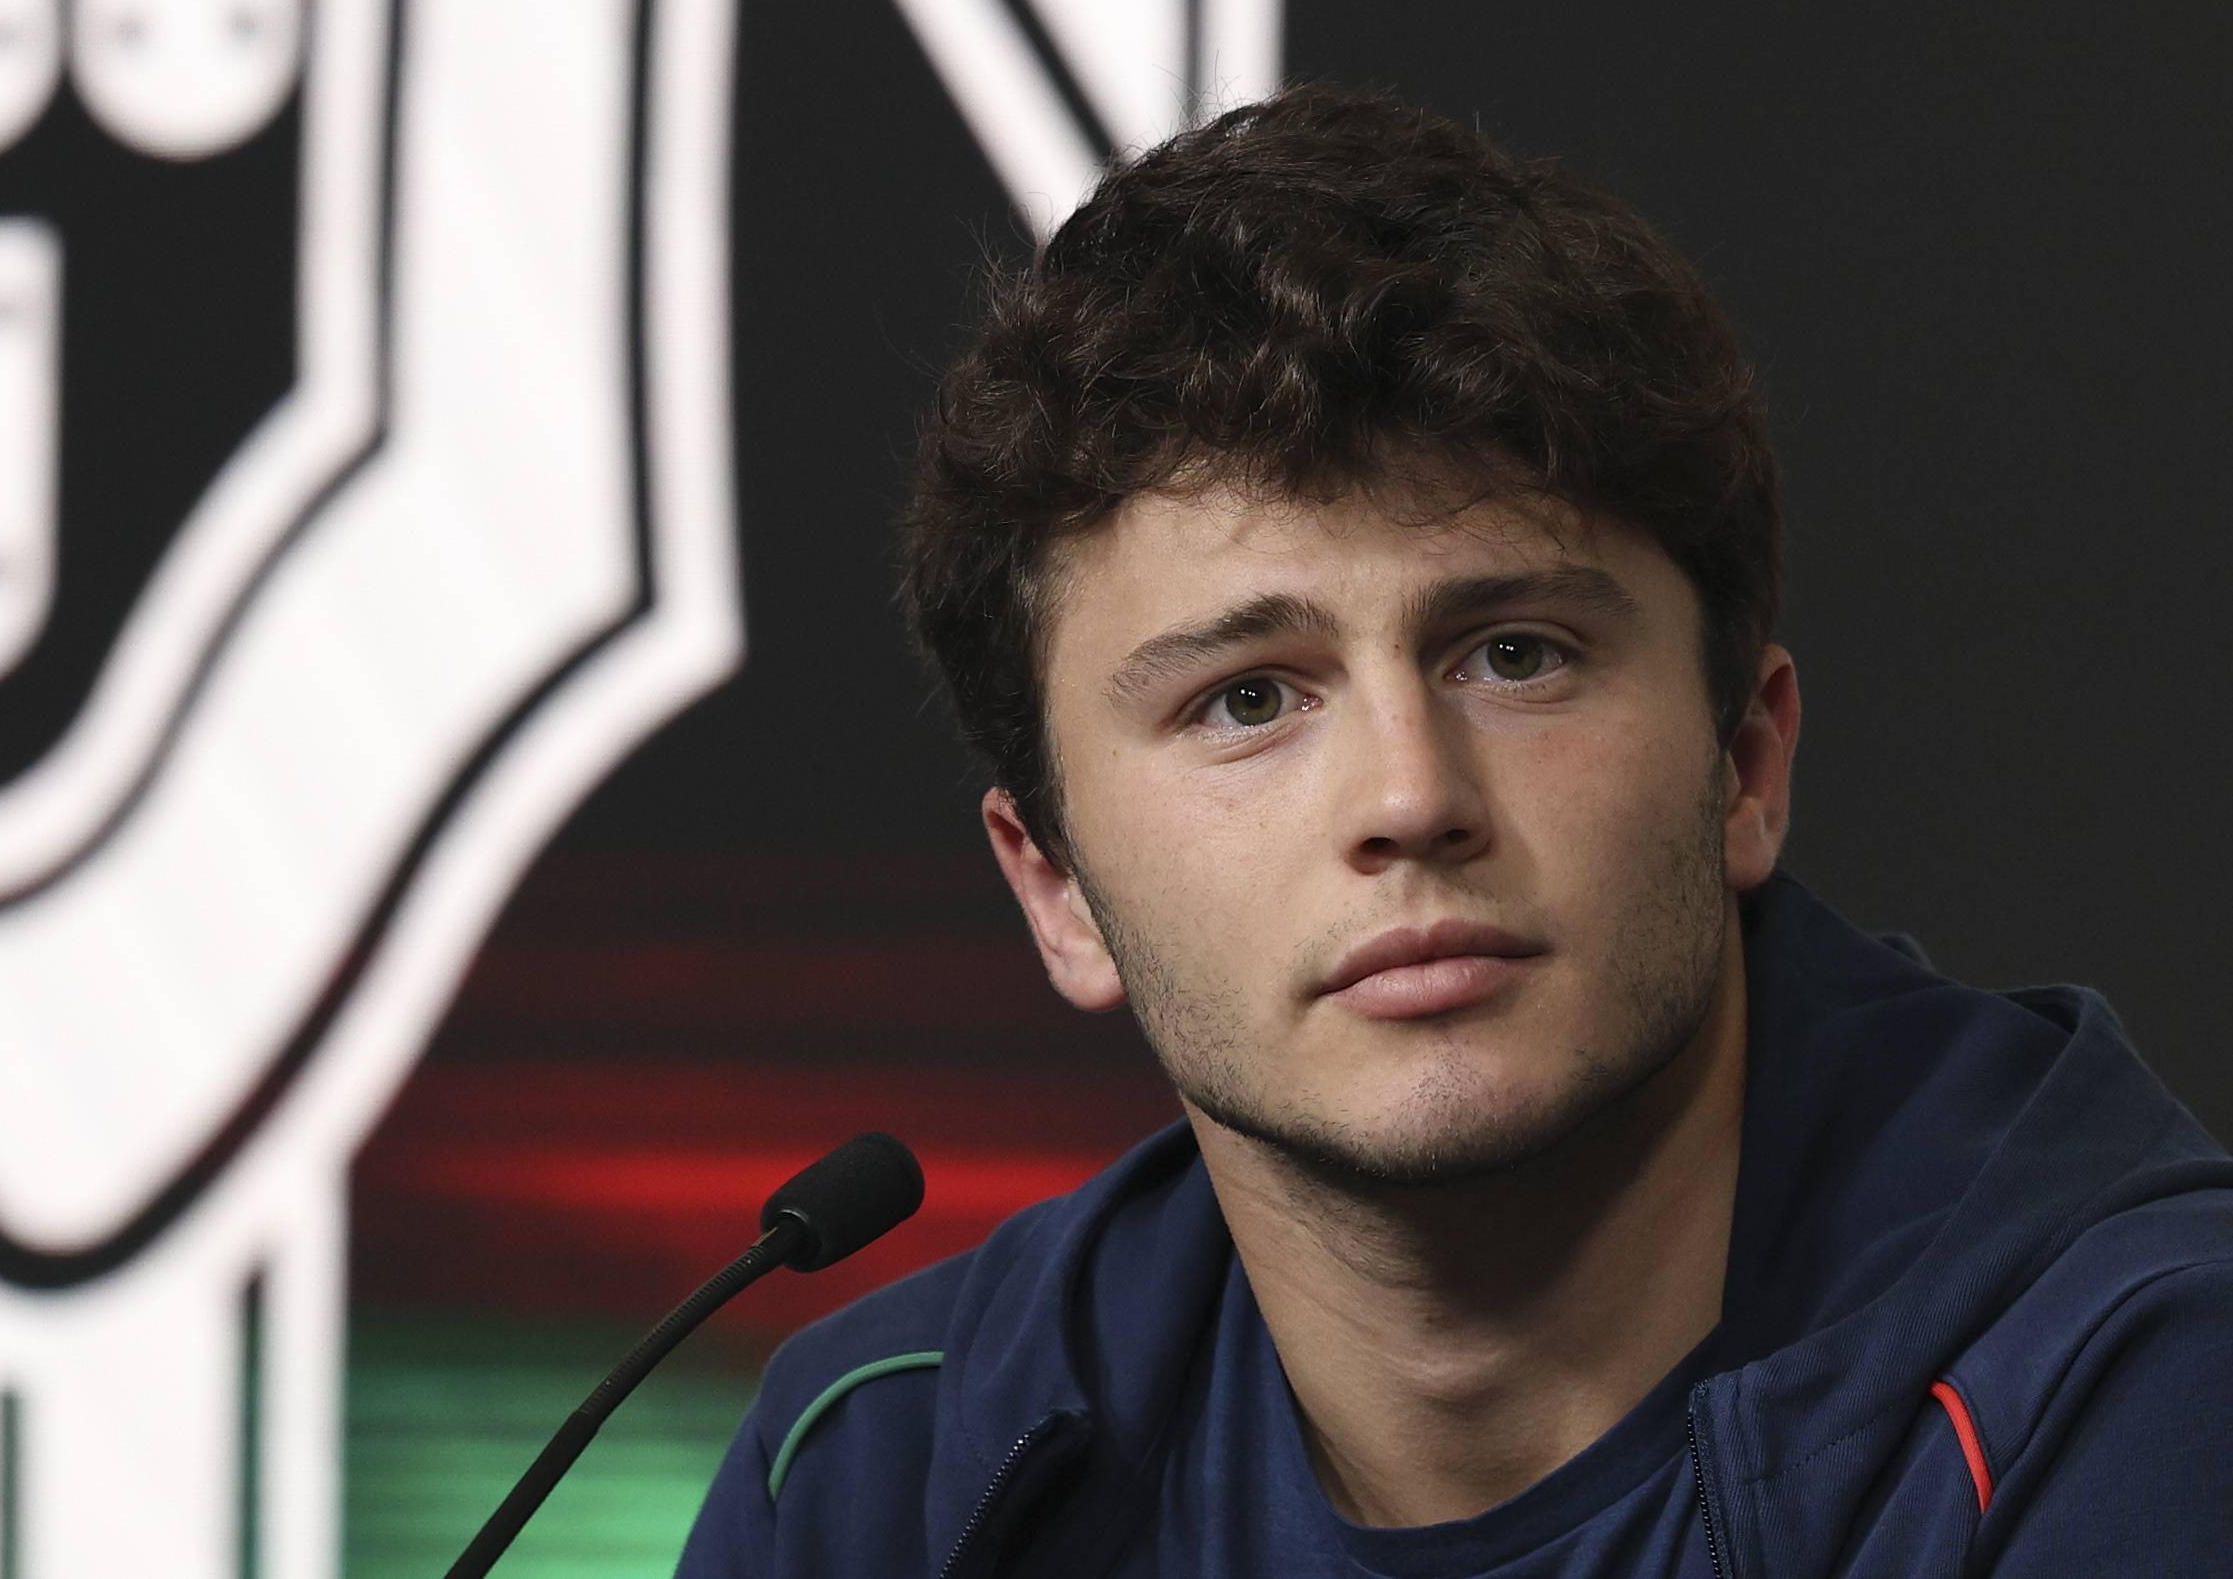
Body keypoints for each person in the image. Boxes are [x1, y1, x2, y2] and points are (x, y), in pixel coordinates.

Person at [677, 88, 2233, 1576]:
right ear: (1056, 888)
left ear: (1743, 762)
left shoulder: (2137, 1386)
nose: (1408, 797)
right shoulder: (882, 1472)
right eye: (1245, 698)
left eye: (1514, 654)